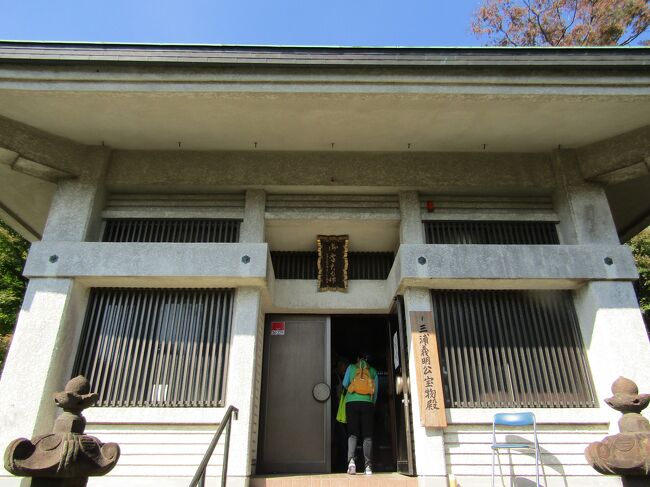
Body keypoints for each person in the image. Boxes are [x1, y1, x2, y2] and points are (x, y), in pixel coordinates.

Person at [342, 351, 378, 475]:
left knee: (352, 434)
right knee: (367, 435)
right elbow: (376, 391)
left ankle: (351, 462)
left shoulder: (351, 367)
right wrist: (371, 403)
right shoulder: (372, 371)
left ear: (357, 358)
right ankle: (368, 467)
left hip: (351, 403)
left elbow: (344, 384)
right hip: (367, 403)